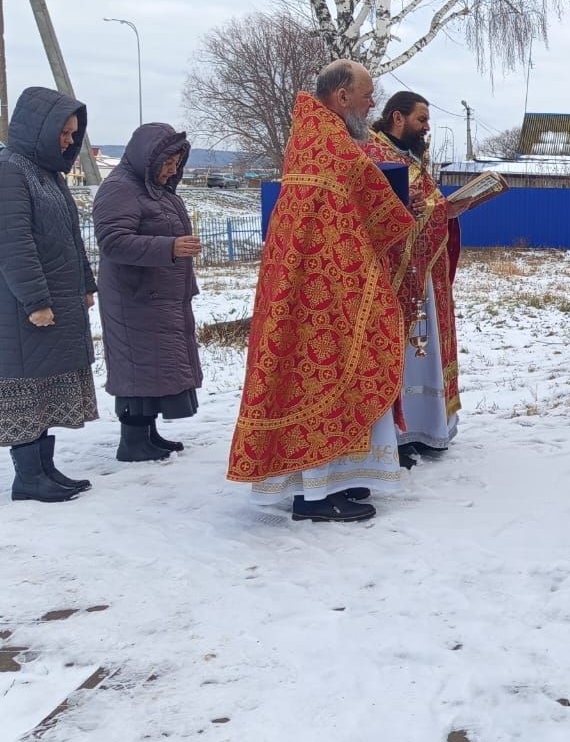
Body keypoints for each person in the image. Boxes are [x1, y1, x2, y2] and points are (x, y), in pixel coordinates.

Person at [227, 60, 416, 523]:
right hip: (314, 287)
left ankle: (336, 481)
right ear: (341, 96)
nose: (374, 101)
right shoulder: (324, 141)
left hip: (328, 282)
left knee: (336, 375)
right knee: (313, 377)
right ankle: (312, 494)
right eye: (367, 93)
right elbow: (367, 198)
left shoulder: (331, 136)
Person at [0, 87, 98, 502]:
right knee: (26, 386)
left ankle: (45, 469)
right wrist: (36, 301)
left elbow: (72, 239)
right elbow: (12, 242)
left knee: (46, 385)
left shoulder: (48, 174)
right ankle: (28, 478)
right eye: (63, 132)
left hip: (59, 299)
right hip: (24, 306)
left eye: (73, 133)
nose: (68, 140)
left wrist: (86, 283)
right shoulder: (10, 170)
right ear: (38, 127)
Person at [362, 91, 469, 466]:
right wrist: (435, 210)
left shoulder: (411, 158)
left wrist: (449, 208)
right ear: (397, 118)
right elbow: (379, 217)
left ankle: (428, 426)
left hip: (426, 274)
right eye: (422, 120)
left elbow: (425, 206)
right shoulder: (374, 156)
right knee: (402, 353)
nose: (427, 128)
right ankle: (400, 434)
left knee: (426, 351)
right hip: (395, 278)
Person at [92, 123, 203, 462]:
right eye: (167, 163)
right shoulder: (120, 189)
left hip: (156, 294)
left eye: (176, 163)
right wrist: (170, 247)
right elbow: (112, 241)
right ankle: (133, 441)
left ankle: (148, 434)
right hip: (133, 297)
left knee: (155, 365)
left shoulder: (155, 190)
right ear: (148, 158)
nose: (172, 170)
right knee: (137, 366)